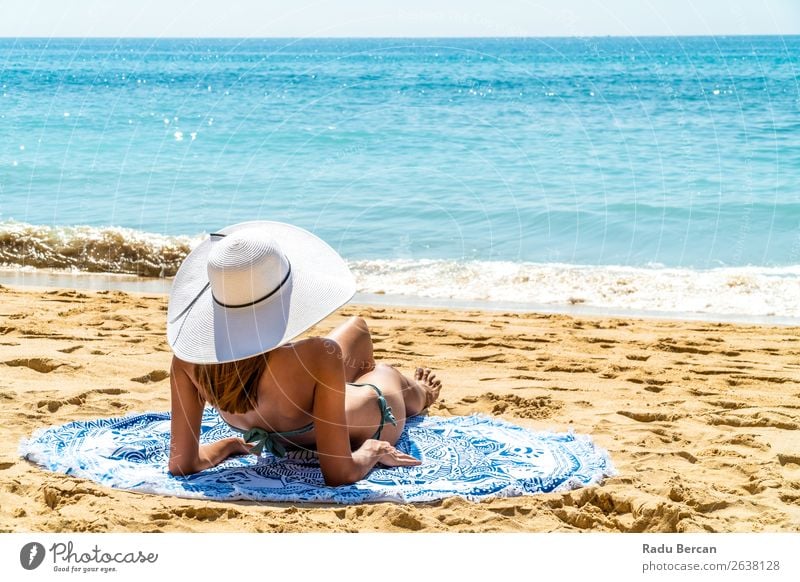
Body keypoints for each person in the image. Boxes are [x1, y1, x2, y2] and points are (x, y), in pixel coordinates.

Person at [166, 221, 442, 486]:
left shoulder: (187, 361)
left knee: (356, 329)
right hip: (372, 420)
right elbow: (339, 473)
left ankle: (328, 392)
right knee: (385, 373)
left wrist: (232, 444)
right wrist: (371, 451)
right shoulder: (317, 355)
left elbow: (182, 464)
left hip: (286, 429)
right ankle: (420, 393)